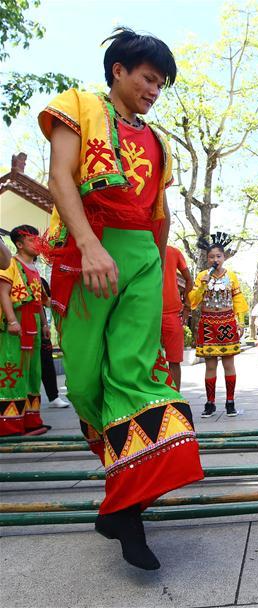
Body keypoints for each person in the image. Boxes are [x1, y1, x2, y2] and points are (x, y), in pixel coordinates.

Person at [39, 28, 203, 569]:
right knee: (86, 381)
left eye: (161, 84)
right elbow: (59, 176)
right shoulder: (79, 106)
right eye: (148, 78)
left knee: (133, 374)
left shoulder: (157, 141)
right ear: (118, 71)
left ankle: (126, 511)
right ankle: (122, 501)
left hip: (143, 259)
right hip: (89, 249)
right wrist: (88, 246)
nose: (155, 90)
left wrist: (159, 275)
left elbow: (160, 213)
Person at [189, 232, 248, 418]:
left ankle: (230, 402)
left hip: (227, 322)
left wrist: (240, 321)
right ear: (207, 259)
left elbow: (238, 299)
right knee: (210, 366)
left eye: (218, 256)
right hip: (207, 323)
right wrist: (201, 286)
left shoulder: (231, 276)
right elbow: (193, 301)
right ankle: (210, 403)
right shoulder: (201, 276)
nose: (215, 259)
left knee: (229, 364)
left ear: (224, 257)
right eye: (211, 257)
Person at [0, 226, 49, 436]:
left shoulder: (34, 269)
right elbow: (3, 292)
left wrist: (45, 324)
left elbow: (39, 301)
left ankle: (31, 422)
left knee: (32, 372)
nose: (36, 244)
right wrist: (11, 321)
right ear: (19, 244)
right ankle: (10, 426)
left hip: (34, 322)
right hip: (17, 322)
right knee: (12, 370)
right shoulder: (11, 264)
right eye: (31, 241)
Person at [161, 245, 192, 390]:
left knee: (174, 360)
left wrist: (187, 304)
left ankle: (176, 398)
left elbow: (188, 279)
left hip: (172, 312)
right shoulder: (141, 246)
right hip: (146, 312)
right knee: (146, 359)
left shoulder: (173, 252)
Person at [38, 277, 71, 408]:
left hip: (38, 327)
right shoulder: (9, 272)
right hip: (15, 328)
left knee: (46, 362)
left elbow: (46, 301)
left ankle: (53, 396)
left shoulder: (38, 278)